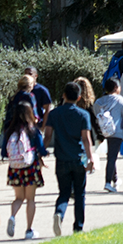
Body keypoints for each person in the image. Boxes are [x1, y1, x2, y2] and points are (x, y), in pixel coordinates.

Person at [43, 81, 95, 236]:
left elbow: (47, 136)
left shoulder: (54, 114)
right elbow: (86, 139)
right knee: (80, 193)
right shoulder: (83, 115)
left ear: (64, 95)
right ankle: (78, 227)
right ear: (79, 97)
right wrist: (91, 158)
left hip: (61, 158)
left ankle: (59, 212)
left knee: (64, 192)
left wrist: (41, 153)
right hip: (79, 158)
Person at [2, 102, 45, 239]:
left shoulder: (9, 131)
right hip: (30, 167)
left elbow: (4, 151)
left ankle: (13, 216)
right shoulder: (33, 130)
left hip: (15, 168)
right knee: (30, 199)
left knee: (19, 198)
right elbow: (42, 149)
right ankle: (29, 230)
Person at [92, 78, 123, 195]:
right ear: (116, 88)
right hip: (117, 132)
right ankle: (108, 182)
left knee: (111, 155)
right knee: (112, 157)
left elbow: (97, 114)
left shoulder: (99, 102)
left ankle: (115, 178)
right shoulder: (122, 101)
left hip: (104, 131)